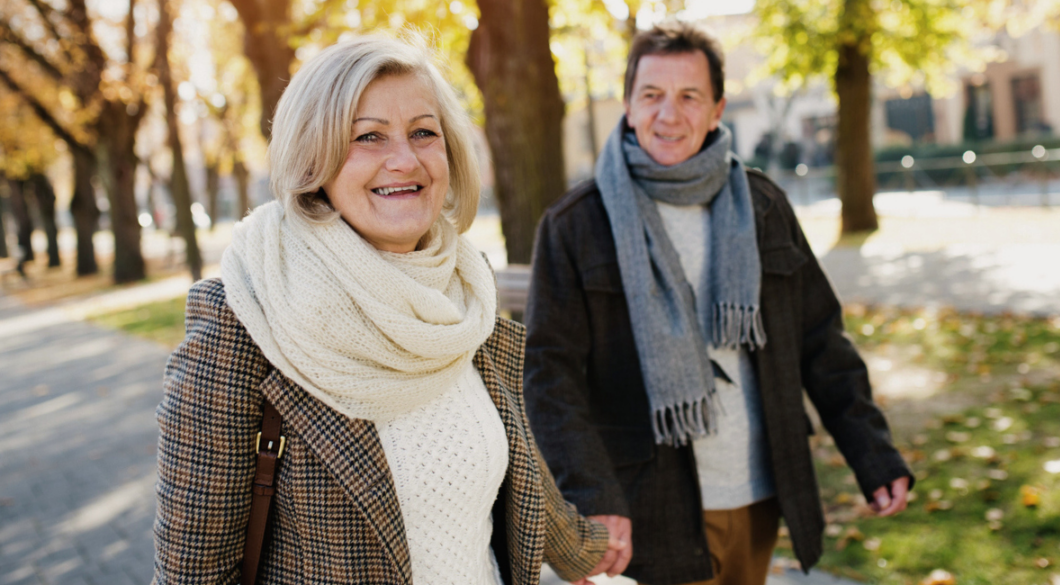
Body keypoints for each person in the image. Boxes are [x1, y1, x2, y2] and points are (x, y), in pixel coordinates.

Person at [152, 35, 624, 585]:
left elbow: (517, 469)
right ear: (313, 157)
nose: (405, 160)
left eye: (423, 132)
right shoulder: (244, 318)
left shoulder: (464, 297)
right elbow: (193, 575)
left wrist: (588, 550)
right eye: (368, 137)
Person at [524, 21, 913, 585]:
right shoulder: (575, 225)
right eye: (652, 95)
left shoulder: (762, 207)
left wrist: (872, 453)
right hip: (644, 504)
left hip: (758, 491)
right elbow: (549, 375)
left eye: (689, 97)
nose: (669, 114)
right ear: (629, 106)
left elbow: (820, 339)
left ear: (717, 110)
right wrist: (592, 493)